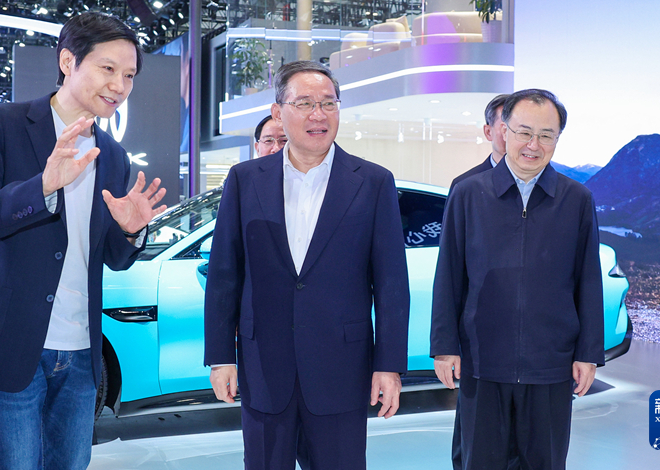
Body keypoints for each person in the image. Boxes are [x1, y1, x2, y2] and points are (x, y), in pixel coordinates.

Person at [0, 12, 167, 470]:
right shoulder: (1, 125)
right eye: (108, 69)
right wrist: (42, 187)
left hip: (82, 351)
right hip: (9, 341)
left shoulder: (114, 156)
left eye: (129, 75)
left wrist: (131, 230)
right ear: (69, 61)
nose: (120, 86)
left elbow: (113, 257)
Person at [204, 60, 410, 470]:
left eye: (328, 103)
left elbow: (391, 283)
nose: (319, 114)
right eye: (305, 103)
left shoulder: (373, 182)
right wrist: (221, 356)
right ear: (278, 112)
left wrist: (389, 366)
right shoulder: (245, 180)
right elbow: (225, 273)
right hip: (264, 366)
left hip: (342, 368)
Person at [431, 89, 604, 470]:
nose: (533, 145)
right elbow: (449, 275)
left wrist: (588, 353)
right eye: (524, 132)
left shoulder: (576, 199)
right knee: (479, 460)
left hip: (551, 363)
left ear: (557, 139)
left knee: (545, 461)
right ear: (504, 131)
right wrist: (444, 346)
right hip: (483, 359)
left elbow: (589, 281)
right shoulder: (468, 193)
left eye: (546, 135)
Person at [448, 93, 516, 470]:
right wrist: (448, 344)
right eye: (507, 125)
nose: (515, 134)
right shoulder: (465, 186)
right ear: (489, 131)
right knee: (475, 441)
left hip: (533, 347)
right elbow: (452, 270)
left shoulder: (559, 191)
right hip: (480, 339)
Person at [450, 93, 508, 191]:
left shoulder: (535, 181)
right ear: (488, 132)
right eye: (505, 128)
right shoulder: (464, 186)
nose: (513, 135)